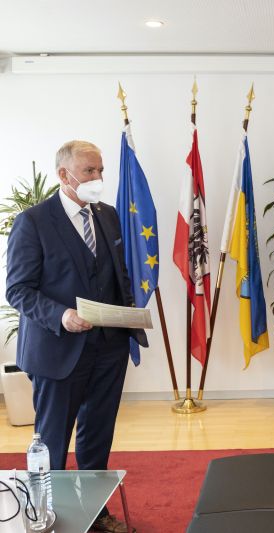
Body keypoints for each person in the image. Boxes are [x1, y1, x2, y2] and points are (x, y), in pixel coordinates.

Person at [6, 140, 147, 533]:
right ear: (64, 175)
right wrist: (62, 315)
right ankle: (49, 517)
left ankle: (95, 513)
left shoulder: (108, 215)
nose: (98, 178)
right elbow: (18, 289)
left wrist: (128, 315)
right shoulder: (33, 222)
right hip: (57, 351)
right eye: (89, 171)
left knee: (97, 435)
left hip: (109, 348)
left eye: (100, 170)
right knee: (52, 441)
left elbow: (118, 276)